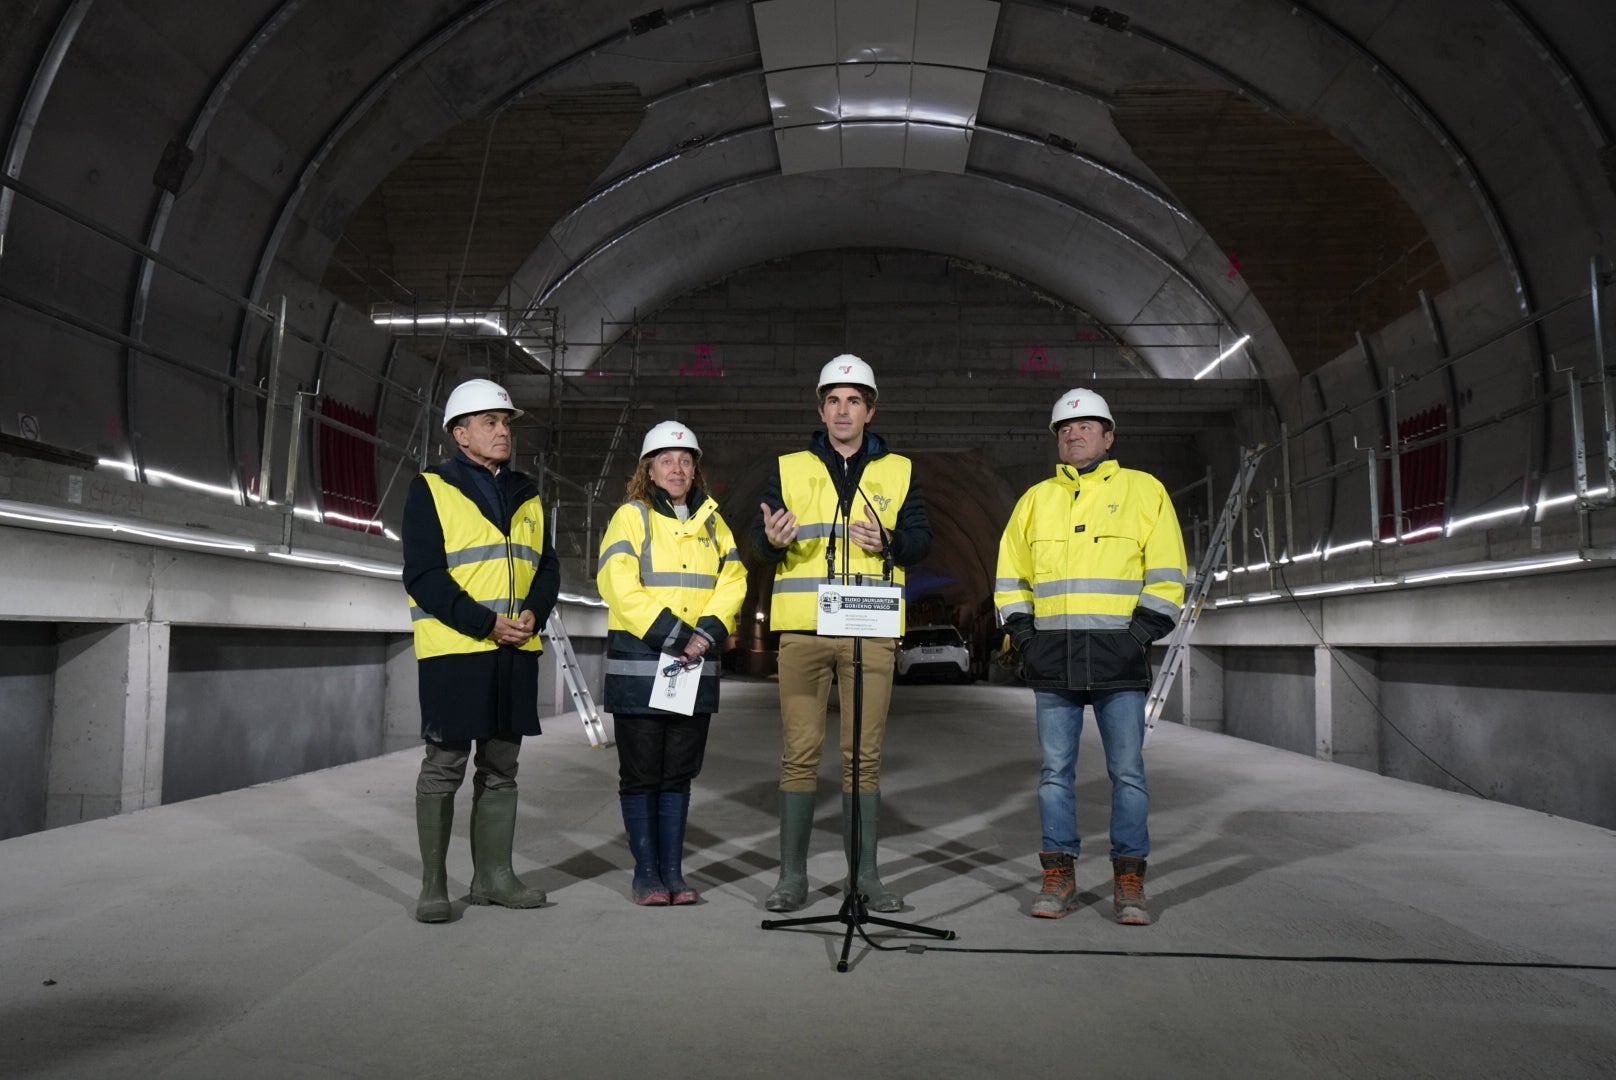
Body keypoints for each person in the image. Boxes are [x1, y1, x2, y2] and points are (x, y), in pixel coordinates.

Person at [994, 387, 1186, 925]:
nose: (1073, 435)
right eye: (1064, 429)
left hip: (1118, 662)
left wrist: (1137, 637)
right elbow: (1010, 578)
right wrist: (1027, 638)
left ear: (1108, 436)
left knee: (1127, 772)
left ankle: (1129, 880)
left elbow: (1169, 574)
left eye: (1084, 427)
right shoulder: (1034, 501)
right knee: (1055, 772)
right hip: (1053, 662)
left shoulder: (1144, 492)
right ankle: (1059, 874)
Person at [752, 355, 931, 913]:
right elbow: (756, 547)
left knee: (864, 756)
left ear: (870, 409)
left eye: (854, 400)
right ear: (821, 409)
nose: (843, 409)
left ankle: (867, 878)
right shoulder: (785, 468)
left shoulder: (900, 471)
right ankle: (791, 878)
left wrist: (893, 544)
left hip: (870, 629)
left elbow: (923, 540)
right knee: (799, 753)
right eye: (833, 400)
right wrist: (772, 542)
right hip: (804, 631)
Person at [402, 378, 559, 923]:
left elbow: (548, 566)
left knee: (502, 765)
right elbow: (423, 575)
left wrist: (535, 611)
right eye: (490, 422)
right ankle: (433, 886)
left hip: (515, 649)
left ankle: (493, 878)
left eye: (506, 423)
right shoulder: (432, 487)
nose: (502, 431)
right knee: (444, 762)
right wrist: (486, 623)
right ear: (459, 433)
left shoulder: (527, 492)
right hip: (457, 649)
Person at [597, 421, 747, 905]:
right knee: (642, 772)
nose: (677, 468)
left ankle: (673, 874)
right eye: (666, 460)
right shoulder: (631, 517)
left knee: (679, 772)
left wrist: (705, 635)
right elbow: (617, 583)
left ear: (695, 469)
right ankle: (646, 874)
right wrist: (676, 635)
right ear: (649, 469)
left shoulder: (713, 522)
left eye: (685, 461)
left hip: (693, 667)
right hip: (642, 666)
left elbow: (734, 580)